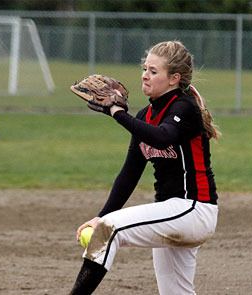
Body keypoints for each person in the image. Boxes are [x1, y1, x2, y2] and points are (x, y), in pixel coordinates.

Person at [70, 40, 220, 294]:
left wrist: (118, 113)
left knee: (109, 231)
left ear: (174, 78)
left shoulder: (184, 108)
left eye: (153, 71)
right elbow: (129, 175)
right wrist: (101, 215)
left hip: (193, 209)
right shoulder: (144, 117)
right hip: (172, 213)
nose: (145, 75)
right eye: (145, 68)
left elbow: (162, 136)